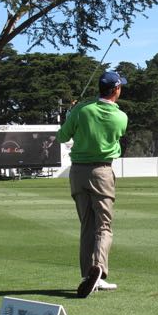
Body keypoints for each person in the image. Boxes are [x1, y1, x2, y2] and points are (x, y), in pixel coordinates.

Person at [56, 71, 128, 298]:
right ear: (116, 89)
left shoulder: (81, 110)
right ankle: (98, 269)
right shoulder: (121, 117)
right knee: (103, 226)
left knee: (87, 224)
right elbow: (117, 137)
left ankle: (88, 276)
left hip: (78, 172)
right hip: (102, 172)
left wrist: (71, 115)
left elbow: (62, 137)